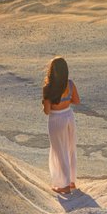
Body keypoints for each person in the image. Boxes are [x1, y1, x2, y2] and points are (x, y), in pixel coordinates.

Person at [42, 56, 80, 194]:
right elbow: (76, 101)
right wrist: (66, 100)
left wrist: (45, 103)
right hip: (69, 116)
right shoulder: (70, 84)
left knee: (59, 150)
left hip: (56, 120)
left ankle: (63, 185)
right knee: (70, 147)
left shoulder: (48, 88)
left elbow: (47, 111)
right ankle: (71, 181)